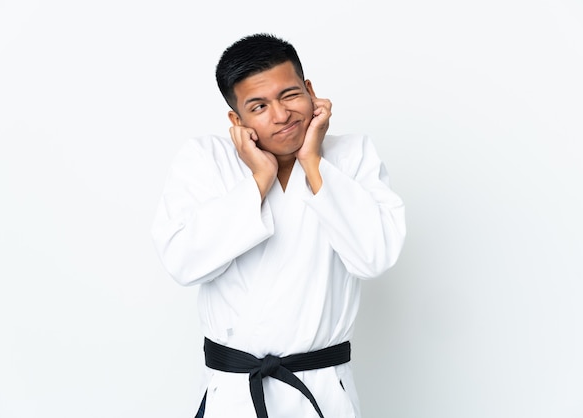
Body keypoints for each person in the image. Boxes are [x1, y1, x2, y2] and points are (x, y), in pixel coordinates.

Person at [151, 33, 406, 418]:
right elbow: (183, 263)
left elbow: (375, 257)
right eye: (259, 106)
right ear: (237, 120)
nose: (281, 115)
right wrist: (259, 178)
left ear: (310, 90)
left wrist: (313, 161)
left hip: (322, 391)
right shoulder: (205, 160)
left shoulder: (352, 155)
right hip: (236, 395)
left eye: (289, 95)